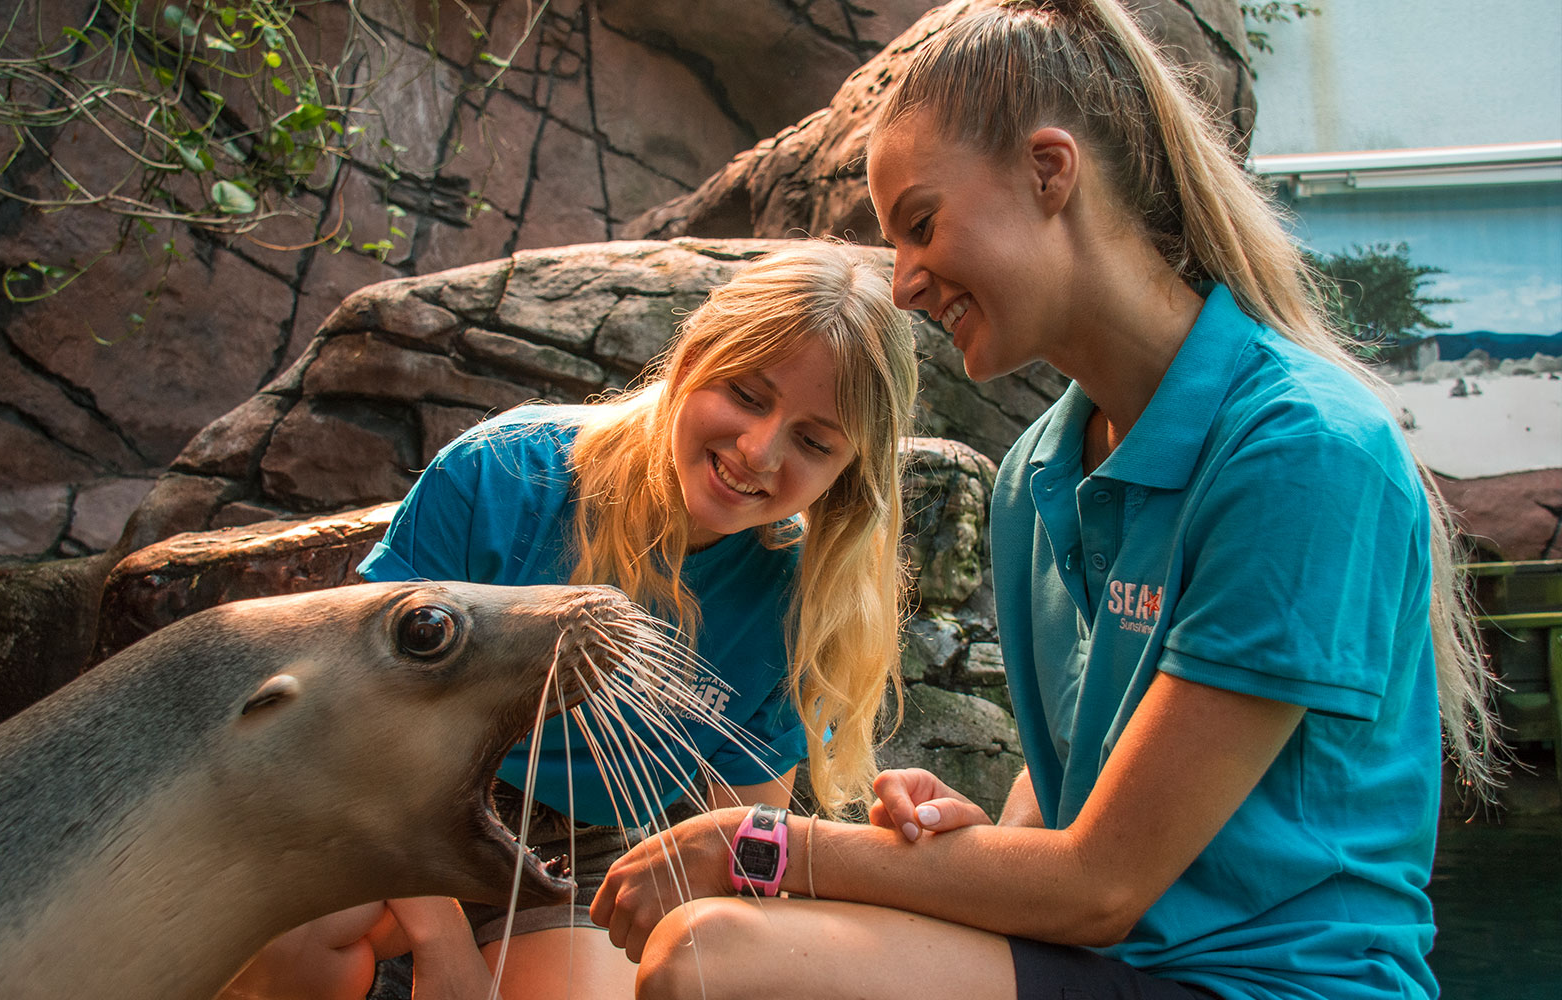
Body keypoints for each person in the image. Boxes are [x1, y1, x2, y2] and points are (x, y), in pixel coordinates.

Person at [589, 3, 1502, 1000]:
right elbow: (1064, 823)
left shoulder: (1300, 451)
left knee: (715, 956)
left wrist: (759, 844)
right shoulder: (1037, 473)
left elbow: (1101, 883)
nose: (902, 284)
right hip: (1111, 966)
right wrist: (971, 840)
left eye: (922, 225)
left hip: (1269, 984)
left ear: (1049, 171)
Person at [220, 241, 919, 999]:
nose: (758, 451)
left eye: (813, 442)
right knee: (296, 934)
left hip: (590, 848)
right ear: (692, 360)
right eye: (747, 396)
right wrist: (443, 946)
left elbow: (729, 834)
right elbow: (355, 721)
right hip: (410, 795)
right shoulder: (502, 473)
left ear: (849, 470)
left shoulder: (804, 601)